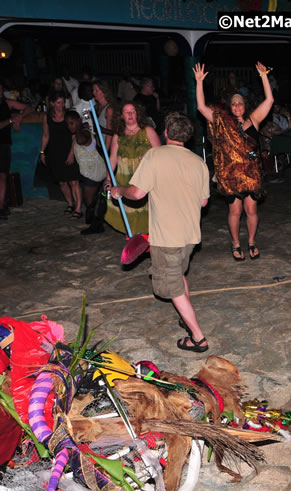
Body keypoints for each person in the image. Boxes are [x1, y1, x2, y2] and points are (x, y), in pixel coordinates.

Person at [110, 112, 210, 353]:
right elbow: (204, 202)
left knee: (172, 287)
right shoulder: (199, 163)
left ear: (166, 132)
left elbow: (137, 193)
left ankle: (198, 338)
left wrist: (118, 190)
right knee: (179, 275)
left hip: (167, 236)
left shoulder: (155, 155)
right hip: (190, 234)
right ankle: (186, 317)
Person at [194, 62, 274, 261]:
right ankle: (236, 243)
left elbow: (270, 100)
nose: (237, 106)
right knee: (235, 210)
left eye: (240, 103)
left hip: (251, 174)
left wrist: (264, 76)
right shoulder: (222, 121)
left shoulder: (254, 119)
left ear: (245, 105)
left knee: (251, 209)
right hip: (230, 175)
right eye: (234, 103)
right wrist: (199, 83)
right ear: (230, 107)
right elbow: (201, 107)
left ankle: (252, 242)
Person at [103, 102, 161, 235]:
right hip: (124, 177)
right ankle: (134, 237)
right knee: (128, 210)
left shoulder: (148, 131)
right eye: (126, 112)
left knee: (146, 211)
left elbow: (160, 154)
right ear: (121, 116)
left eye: (133, 111)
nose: (130, 114)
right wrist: (108, 179)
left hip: (144, 176)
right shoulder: (118, 135)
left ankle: (147, 237)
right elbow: (113, 158)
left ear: (138, 114)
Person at [40, 90, 83, 218]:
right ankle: (70, 204)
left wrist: (71, 153)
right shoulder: (47, 117)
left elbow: (74, 135)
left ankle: (79, 208)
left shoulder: (68, 115)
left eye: (63, 102)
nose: (61, 105)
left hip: (69, 149)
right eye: (58, 103)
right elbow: (46, 135)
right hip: (54, 152)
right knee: (62, 182)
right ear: (52, 103)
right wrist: (42, 152)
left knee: (74, 181)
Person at [68, 112, 107, 233]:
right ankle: (96, 223)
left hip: (94, 172)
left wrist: (80, 126)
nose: (70, 126)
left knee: (90, 201)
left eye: (72, 123)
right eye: (67, 124)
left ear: (78, 120)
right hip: (91, 171)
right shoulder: (82, 131)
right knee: (93, 200)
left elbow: (80, 140)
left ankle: (96, 225)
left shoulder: (84, 133)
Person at [0, 81, 32, 220]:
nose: (0, 92)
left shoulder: (7, 103)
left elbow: (29, 108)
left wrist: (19, 117)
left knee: (2, 175)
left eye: (1, 89)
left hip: (4, 143)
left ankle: (1, 206)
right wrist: (11, 120)